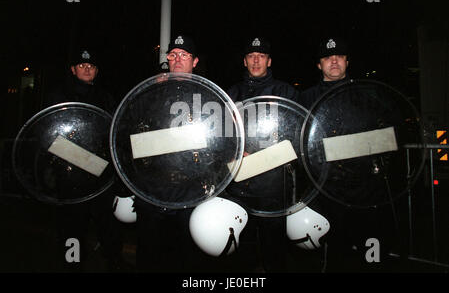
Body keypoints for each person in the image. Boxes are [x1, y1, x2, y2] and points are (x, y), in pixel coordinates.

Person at [297, 36, 397, 272]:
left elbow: (391, 133)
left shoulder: (367, 94)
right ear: (319, 65)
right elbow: (298, 140)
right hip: (327, 191)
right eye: (327, 57)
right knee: (335, 254)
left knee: (371, 253)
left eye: (339, 56)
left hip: (366, 189)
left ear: (347, 61)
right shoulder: (306, 98)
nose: (334, 61)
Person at [43, 47, 129, 272]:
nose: (87, 69)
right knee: (72, 225)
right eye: (82, 65)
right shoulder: (59, 95)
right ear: (73, 69)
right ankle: (72, 261)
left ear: (97, 70)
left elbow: (114, 132)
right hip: (71, 173)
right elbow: (48, 134)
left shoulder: (105, 97)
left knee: (107, 223)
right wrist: (82, 161)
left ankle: (113, 259)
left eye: (91, 66)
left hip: (101, 174)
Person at [224, 37, 301, 273]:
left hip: (273, 186)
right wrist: (236, 152)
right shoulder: (232, 92)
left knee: (274, 249)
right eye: (251, 56)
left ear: (269, 61)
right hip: (239, 185)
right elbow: (222, 135)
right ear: (244, 61)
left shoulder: (285, 91)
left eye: (261, 56)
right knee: (242, 248)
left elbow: (296, 134)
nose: (256, 60)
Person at [134, 34, 207, 273]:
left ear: (195, 61)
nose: (177, 59)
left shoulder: (207, 95)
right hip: (152, 191)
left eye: (184, 55)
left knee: (186, 258)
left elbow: (221, 144)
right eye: (173, 55)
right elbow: (130, 134)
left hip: (190, 193)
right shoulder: (149, 92)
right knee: (151, 258)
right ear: (167, 58)